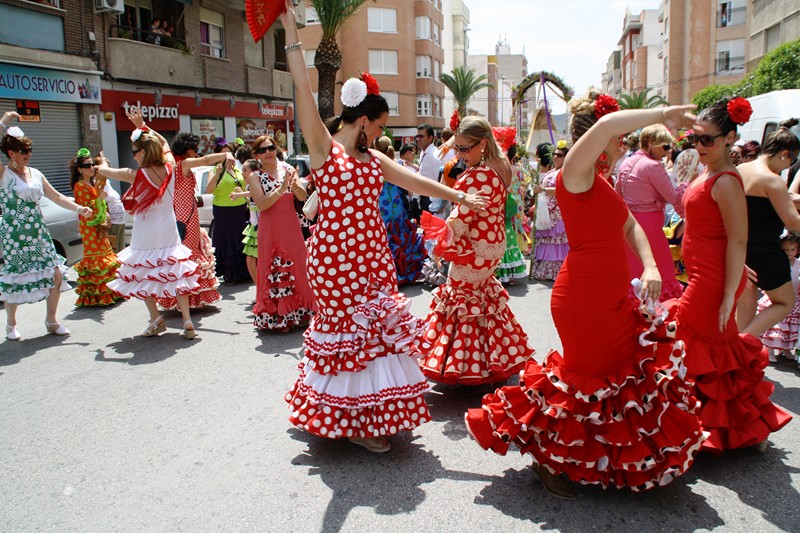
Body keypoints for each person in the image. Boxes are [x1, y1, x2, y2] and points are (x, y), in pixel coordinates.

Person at [466, 91, 706, 500]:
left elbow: (630, 226)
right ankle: (545, 458)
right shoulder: (573, 173)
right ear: (593, 139)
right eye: (618, 141)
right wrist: (665, 113)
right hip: (583, 299)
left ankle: (603, 460)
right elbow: (606, 127)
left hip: (614, 297)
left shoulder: (602, 183)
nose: (621, 145)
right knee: (586, 382)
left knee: (615, 382)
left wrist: (649, 264)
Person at [278, 0, 487, 454]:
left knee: (375, 334)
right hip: (335, 259)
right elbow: (302, 85)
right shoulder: (324, 150)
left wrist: (456, 195)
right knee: (349, 336)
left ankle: (371, 412)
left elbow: (412, 180)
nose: (379, 134)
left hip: (372, 253)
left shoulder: (372, 158)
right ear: (364, 119)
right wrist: (290, 30)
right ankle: (352, 420)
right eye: (379, 126)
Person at [672, 98, 792, 453]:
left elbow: (739, 237)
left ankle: (718, 426)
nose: (700, 146)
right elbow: (721, 233)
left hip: (711, 283)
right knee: (714, 355)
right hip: (705, 275)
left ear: (730, 138)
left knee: (697, 348)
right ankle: (744, 426)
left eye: (708, 140)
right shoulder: (708, 172)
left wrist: (729, 293)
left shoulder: (726, 180)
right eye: (696, 138)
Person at [419, 116, 534, 386]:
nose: (459, 155)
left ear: (482, 144)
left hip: (473, 250)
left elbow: (461, 218)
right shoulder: (502, 163)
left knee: (460, 300)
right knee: (483, 300)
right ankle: (492, 359)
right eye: (456, 148)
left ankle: (466, 367)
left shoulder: (479, 175)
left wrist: (441, 243)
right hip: (493, 246)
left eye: (464, 149)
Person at [97, 109, 206, 338]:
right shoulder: (169, 168)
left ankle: (156, 318)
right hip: (168, 230)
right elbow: (165, 141)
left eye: (135, 152)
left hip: (145, 233)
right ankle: (186, 320)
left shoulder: (136, 174)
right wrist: (144, 125)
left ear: (144, 152)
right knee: (176, 273)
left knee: (142, 274)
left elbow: (111, 172)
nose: (134, 156)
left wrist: (99, 168)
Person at [0, 112, 93, 340]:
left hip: (38, 232)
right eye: (23, 151)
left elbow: (56, 197)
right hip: (15, 235)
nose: (28, 155)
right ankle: (11, 324)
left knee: (56, 274)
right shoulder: (3, 173)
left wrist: (79, 208)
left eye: (29, 150)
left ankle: (51, 321)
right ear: (11, 153)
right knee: (16, 279)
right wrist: (3, 123)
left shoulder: (35, 174)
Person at [735, 118, 800, 337]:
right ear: (784, 154)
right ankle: (744, 343)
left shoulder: (740, 169)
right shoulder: (772, 181)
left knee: (745, 306)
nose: (789, 167)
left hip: (740, 251)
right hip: (765, 253)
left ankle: (734, 355)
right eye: (791, 160)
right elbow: (792, 221)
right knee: (784, 302)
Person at [246, 134, 314, 332]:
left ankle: (301, 312)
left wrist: (294, 186)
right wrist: (282, 188)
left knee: (299, 267)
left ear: (276, 149)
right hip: (270, 228)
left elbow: (302, 196)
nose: (267, 152)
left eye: (270, 147)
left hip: (291, 226)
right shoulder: (254, 176)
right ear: (256, 155)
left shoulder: (289, 169)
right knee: (274, 269)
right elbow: (262, 204)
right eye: (262, 150)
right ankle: (280, 317)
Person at [615, 124, 685, 300]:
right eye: (665, 146)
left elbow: (617, 194)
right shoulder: (652, 166)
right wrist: (685, 185)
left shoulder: (627, 162)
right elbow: (673, 196)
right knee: (662, 274)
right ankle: (655, 319)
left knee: (633, 275)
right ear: (651, 143)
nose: (668, 152)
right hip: (649, 228)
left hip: (628, 225)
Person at [161, 132, 226, 310]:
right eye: (194, 149)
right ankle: (189, 299)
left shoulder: (171, 164)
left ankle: (183, 299)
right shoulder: (183, 163)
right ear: (187, 149)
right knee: (189, 257)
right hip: (186, 217)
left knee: (183, 257)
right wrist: (225, 154)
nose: (196, 152)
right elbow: (206, 161)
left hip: (180, 215)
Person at [69, 149, 124, 307]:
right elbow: (86, 208)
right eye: (87, 165)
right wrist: (99, 200)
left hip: (99, 225)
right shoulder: (80, 186)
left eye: (92, 164)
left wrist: (105, 211)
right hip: (89, 227)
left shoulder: (93, 183)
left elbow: (100, 204)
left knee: (107, 255)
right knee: (96, 259)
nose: (91, 167)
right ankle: (96, 296)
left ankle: (111, 291)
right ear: (80, 169)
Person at [374, 136, 427, 285]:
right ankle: (405, 271)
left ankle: (390, 274)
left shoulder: (373, 165)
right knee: (401, 234)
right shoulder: (398, 165)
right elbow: (410, 191)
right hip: (398, 207)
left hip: (382, 208)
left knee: (387, 237)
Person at [207, 141, 250, 284]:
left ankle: (244, 272)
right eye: (224, 154)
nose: (227, 158)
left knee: (241, 239)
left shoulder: (238, 170)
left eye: (229, 154)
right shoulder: (214, 170)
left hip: (240, 210)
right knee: (227, 241)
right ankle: (230, 274)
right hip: (223, 211)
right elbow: (209, 189)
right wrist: (218, 173)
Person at [758, 232, 800, 364]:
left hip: (793, 299)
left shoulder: (798, 264)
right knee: (775, 324)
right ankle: (769, 349)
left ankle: (785, 349)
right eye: (786, 250)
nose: (789, 253)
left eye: (793, 250)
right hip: (778, 296)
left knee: (789, 326)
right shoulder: (778, 262)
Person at [531, 142, 569, 281]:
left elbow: (562, 190)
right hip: (546, 210)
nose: (555, 157)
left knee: (555, 241)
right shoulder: (552, 171)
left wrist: (543, 190)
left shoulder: (565, 172)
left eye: (559, 155)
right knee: (546, 239)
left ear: (566, 157)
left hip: (557, 212)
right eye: (554, 154)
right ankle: (545, 269)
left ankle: (555, 271)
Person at [495, 144, 528, 285]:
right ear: (514, 156)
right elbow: (525, 187)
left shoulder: (499, 170)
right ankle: (512, 267)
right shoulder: (519, 170)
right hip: (515, 203)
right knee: (513, 233)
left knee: (502, 235)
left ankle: (501, 271)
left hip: (502, 203)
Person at [230, 159, 260, 291]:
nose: (242, 173)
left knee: (257, 261)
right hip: (253, 227)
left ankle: (263, 289)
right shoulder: (248, 187)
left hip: (262, 227)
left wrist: (239, 194)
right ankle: (259, 288)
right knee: (250, 260)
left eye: (245, 170)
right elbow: (252, 203)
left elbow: (254, 194)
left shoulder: (258, 184)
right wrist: (243, 195)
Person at [96, 155, 126, 253]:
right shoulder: (97, 183)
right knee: (114, 251)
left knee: (121, 250)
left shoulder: (107, 182)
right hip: (112, 222)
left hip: (120, 221)